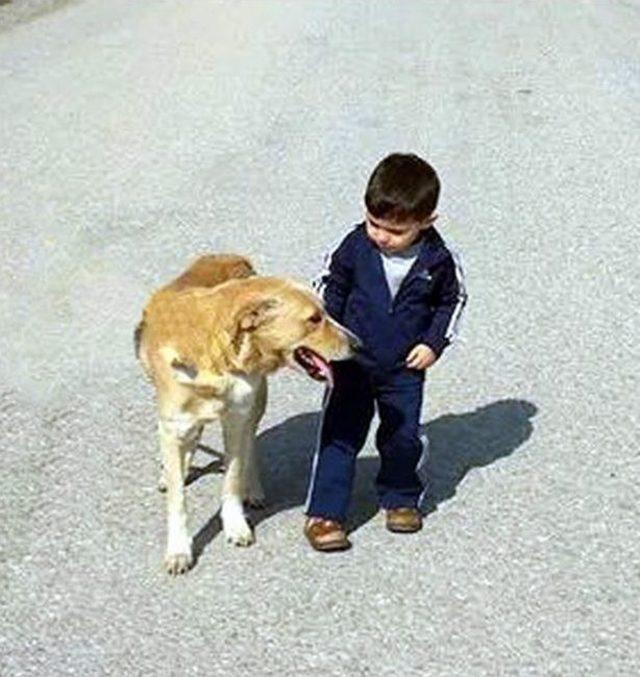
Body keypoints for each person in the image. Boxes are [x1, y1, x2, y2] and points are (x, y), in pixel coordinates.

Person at [304, 152, 467, 551]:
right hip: (351, 363)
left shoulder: (439, 260)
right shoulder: (354, 246)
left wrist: (433, 343)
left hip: (403, 368)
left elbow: (453, 301)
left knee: (402, 436)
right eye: (374, 223)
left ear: (426, 222)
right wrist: (322, 341)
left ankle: (400, 496)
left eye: (395, 230)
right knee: (340, 434)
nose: (381, 235)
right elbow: (330, 287)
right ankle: (325, 513)